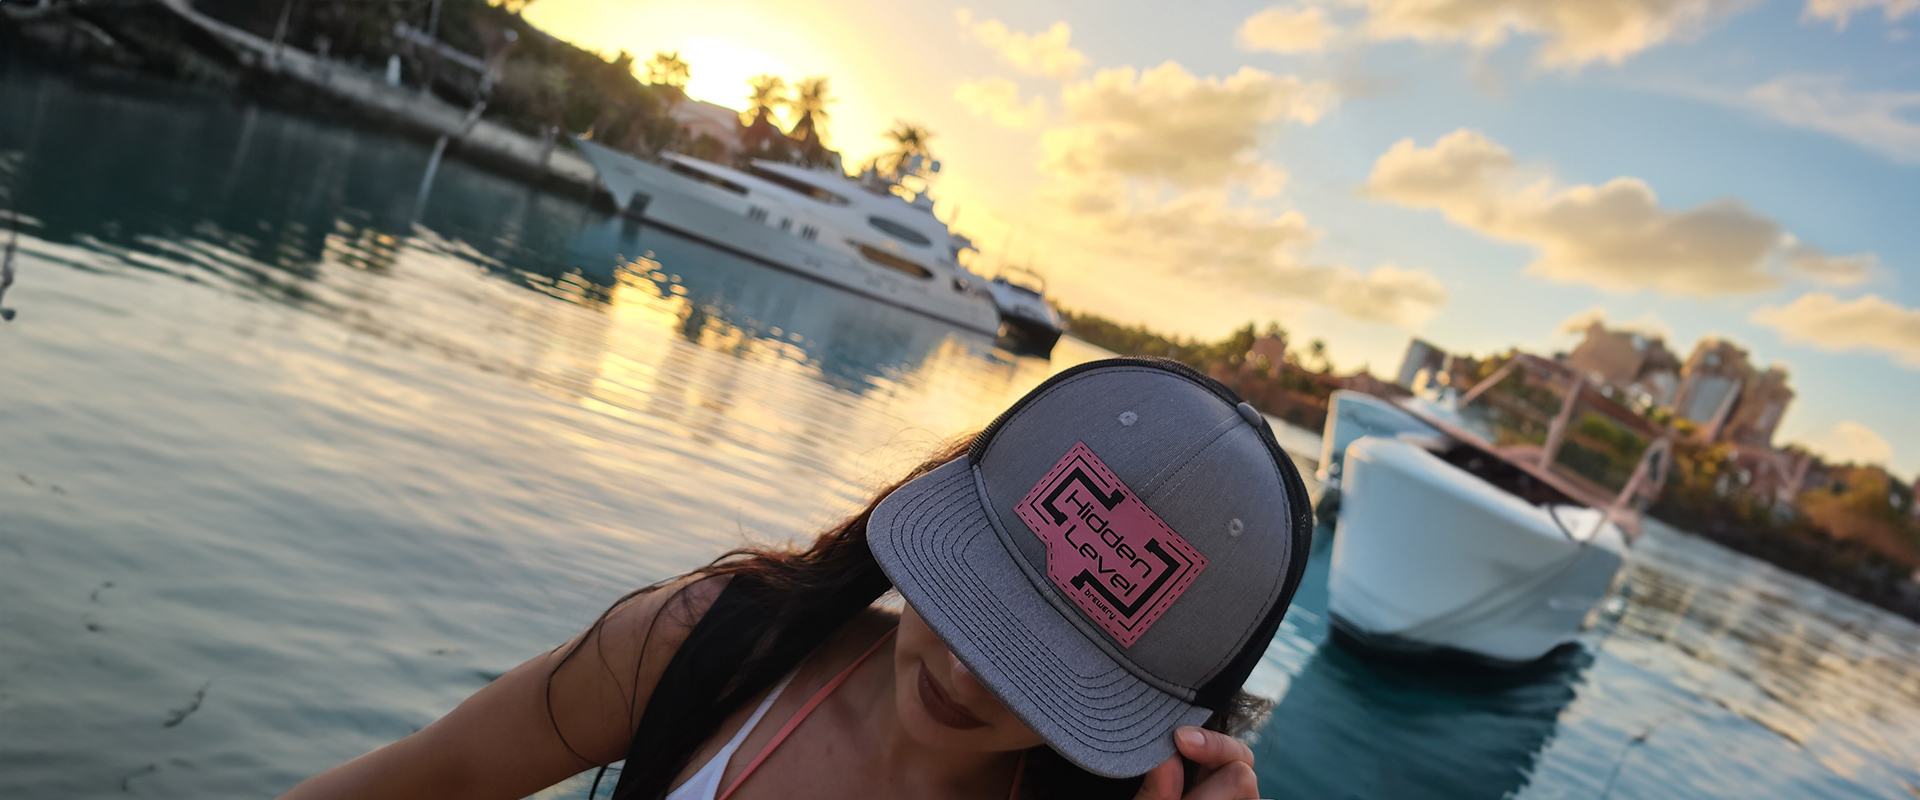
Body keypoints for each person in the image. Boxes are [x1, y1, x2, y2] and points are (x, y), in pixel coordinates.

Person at [279, 357, 1314, 800]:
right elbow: (428, 778)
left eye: (1046, 665)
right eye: (974, 595)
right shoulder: (706, 646)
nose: (964, 667)